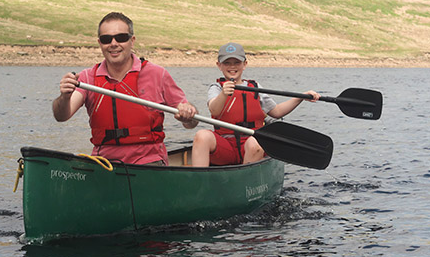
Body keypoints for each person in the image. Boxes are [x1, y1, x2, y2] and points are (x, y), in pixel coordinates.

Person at [52, 12, 198, 165]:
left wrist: (188, 113)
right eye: (106, 39)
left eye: (121, 38)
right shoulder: (87, 78)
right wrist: (65, 96)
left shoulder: (157, 74)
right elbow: (61, 116)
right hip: (105, 163)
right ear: (100, 43)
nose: (113, 44)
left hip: (149, 161)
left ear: (132, 41)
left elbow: (191, 124)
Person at [191, 42, 320, 167]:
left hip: (252, 145)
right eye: (227, 63)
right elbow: (214, 110)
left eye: (237, 62)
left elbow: (277, 111)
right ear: (219, 65)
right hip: (226, 146)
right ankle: (199, 183)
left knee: (255, 143)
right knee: (201, 135)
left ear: (245, 64)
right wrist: (224, 94)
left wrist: (300, 97)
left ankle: (244, 182)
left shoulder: (255, 87)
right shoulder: (217, 88)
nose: (232, 66)